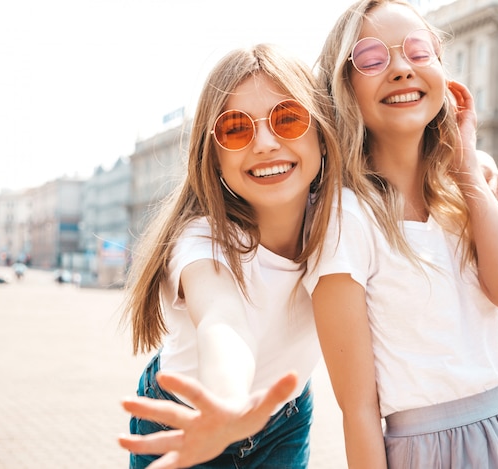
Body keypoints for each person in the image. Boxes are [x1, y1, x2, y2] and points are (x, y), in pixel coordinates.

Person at [305, 1, 498, 468]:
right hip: (435, 450)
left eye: (419, 52)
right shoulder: (344, 218)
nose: (400, 69)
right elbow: (358, 412)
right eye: (372, 59)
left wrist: (467, 169)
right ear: (345, 88)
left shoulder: (465, 189)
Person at [118, 43, 342, 468]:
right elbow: (223, 318)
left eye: (289, 119)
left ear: (323, 135)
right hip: (189, 423)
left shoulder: (341, 219)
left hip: (283, 419)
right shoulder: (201, 239)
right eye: (236, 129)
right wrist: (228, 405)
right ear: (214, 156)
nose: (264, 143)